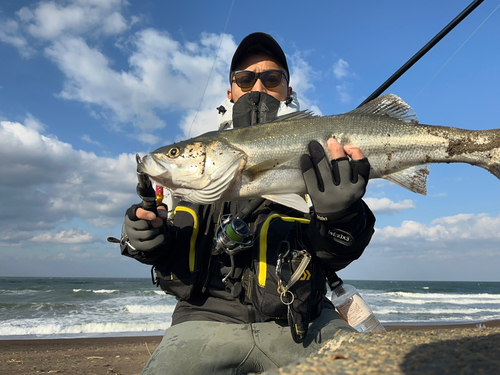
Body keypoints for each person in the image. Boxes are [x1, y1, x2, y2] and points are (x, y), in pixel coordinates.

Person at [119, 32, 375, 374]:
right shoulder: (193, 169)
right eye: (244, 78)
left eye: (272, 78)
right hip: (201, 321)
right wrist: (144, 239)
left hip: (304, 319)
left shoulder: (321, 150)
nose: (257, 87)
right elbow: (167, 250)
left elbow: (336, 254)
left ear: (288, 90)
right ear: (231, 91)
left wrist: (340, 216)